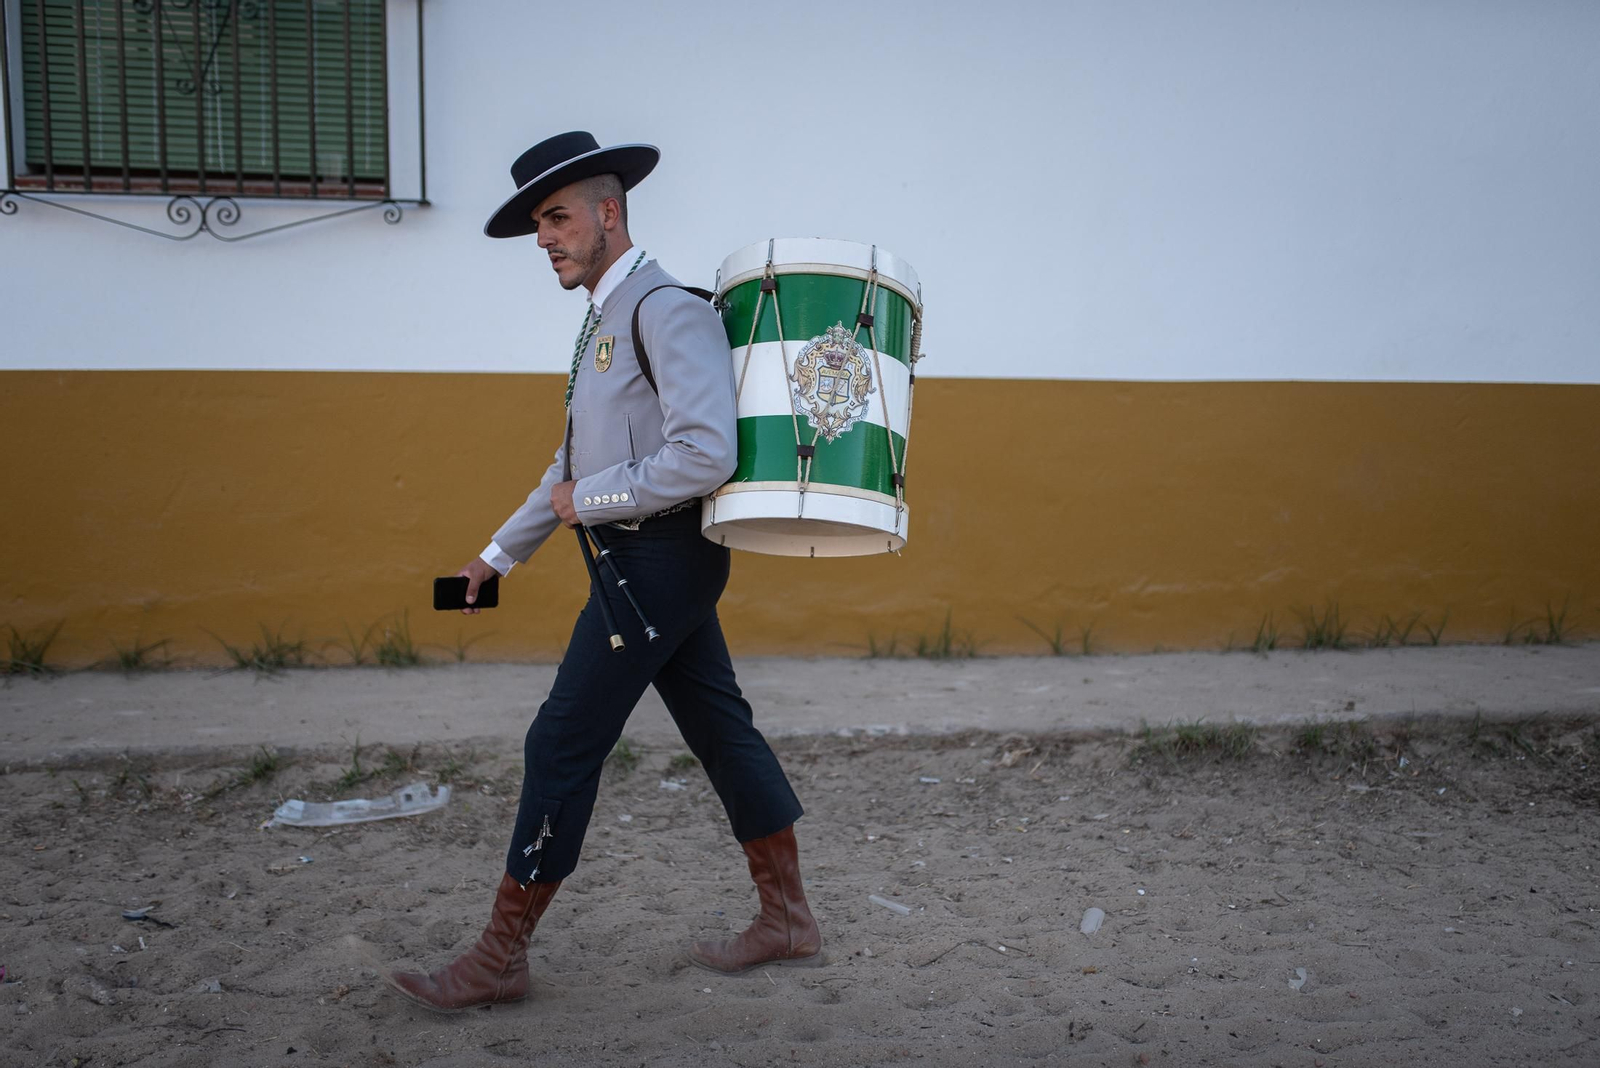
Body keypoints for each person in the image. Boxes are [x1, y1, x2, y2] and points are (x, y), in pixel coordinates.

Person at [384, 132, 822, 1012]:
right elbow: (570, 465)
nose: (544, 238)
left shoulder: (666, 310)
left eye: (556, 217)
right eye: (538, 224)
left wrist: (593, 497)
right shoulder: (606, 319)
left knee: (560, 741)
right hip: (643, 560)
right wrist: (496, 556)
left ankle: (502, 955)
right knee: (721, 729)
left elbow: (706, 453)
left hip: (659, 562)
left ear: (608, 213)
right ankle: (789, 919)